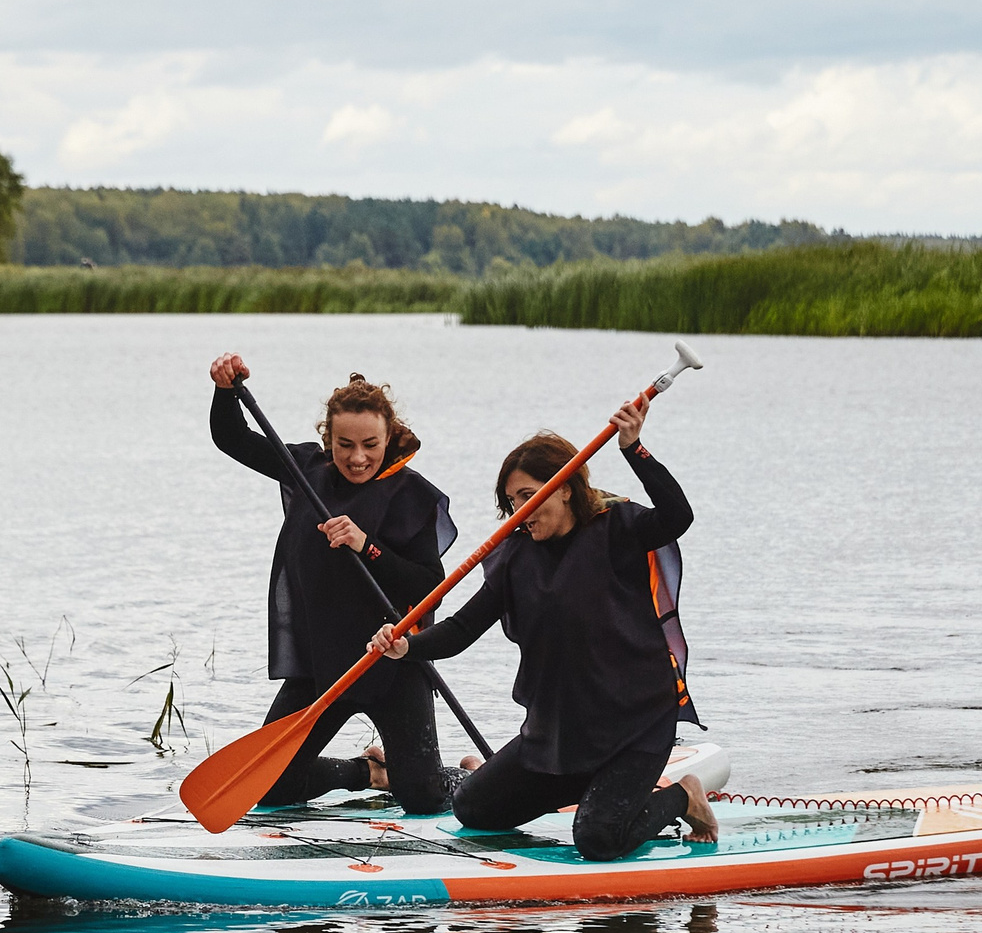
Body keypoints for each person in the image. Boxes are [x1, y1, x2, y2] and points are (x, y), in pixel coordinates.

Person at [369, 395, 714, 860]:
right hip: (559, 731)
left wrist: (634, 449)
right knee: (473, 808)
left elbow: (678, 516)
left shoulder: (618, 527)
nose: (521, 510)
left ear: (565, 488)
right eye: (512, 501)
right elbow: (462, 629)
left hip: (633, 725)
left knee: (597, 839)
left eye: (529, 495)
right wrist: (406, 646)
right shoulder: (515, 557)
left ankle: (683, 796)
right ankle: (594, 791)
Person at [209, 353, 462, 813]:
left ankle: (474, 777)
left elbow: (428, 586)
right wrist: (225, 391)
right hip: (321, 666)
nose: (357, 458)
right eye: (345, 444)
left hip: (392, 662)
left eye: (370, 444)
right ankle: (368, 772)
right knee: (269, 786)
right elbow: (231, 437)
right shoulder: (307, 469)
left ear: (390, 437)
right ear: (328, 438)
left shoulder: (412, 495)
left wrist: (367, 545)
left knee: (424, 798)